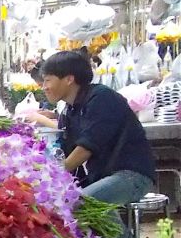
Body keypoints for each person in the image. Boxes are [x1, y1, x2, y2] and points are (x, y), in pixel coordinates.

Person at [39, 51, 155, 209]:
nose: (44, 87)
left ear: (69, 79)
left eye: (47, 80)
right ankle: (121, 234)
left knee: (77, 205)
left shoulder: (101, 98)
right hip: (101, 178)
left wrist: (54, 172)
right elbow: (69, 153)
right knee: (69, 203)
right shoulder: (70, 111)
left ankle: (125, 236)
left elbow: (87, 146)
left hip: (131, 175)